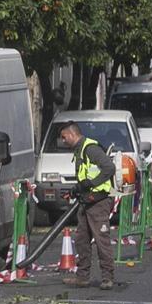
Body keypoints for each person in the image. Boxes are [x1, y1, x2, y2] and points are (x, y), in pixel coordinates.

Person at [59, 122, 116, 290]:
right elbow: (85, 176)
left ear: (72, 134)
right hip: (86, 201)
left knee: (101, 240)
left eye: (64, 137)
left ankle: (107, 277)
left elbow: (109, 168)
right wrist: (76, 190)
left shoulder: (90, 149)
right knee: (82, 240)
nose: (63, 141)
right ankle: (82, 277)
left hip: (98, 202)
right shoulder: (80, 150)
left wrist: (91, 184)